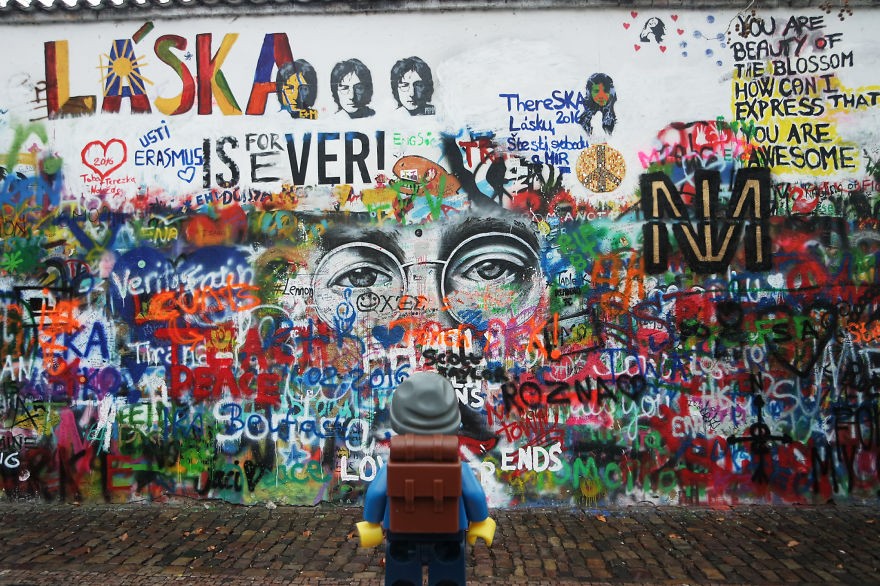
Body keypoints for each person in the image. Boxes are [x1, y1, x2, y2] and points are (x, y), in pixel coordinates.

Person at [356, 371, 496, 586]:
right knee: (448, 575)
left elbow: (376, 493)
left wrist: (372, 523)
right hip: (449, 531)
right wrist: (480, 521)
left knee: (401, 575)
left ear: (398, 417)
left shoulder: (394, 462)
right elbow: (474, 493)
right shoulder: (456, 464)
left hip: (401, 531)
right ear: (452, 417)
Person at [578, 72, 617, 136]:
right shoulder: (584, 120)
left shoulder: (617, 117)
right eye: (596, 91)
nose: (601, 95)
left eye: (605, 91)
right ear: (590, 93)